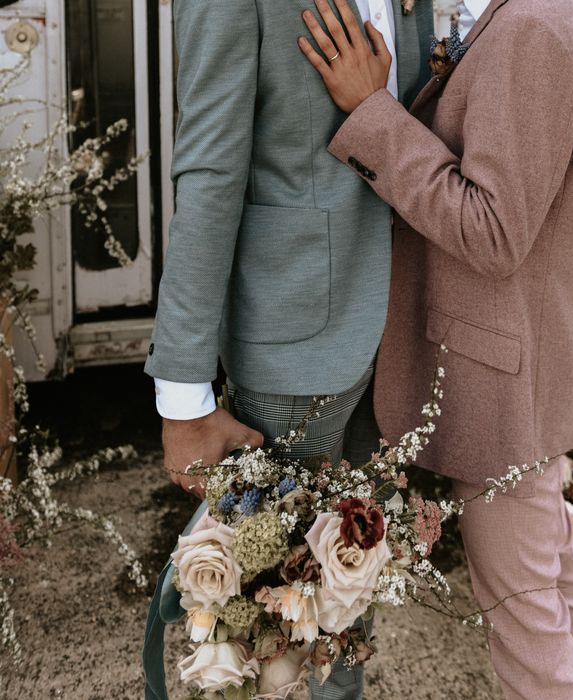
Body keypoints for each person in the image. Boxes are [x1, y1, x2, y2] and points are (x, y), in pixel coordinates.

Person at [299, 0, 573, 697]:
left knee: (526, 624)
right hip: (527, 358)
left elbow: (495, 231)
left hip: (507, 377)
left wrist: (373, 113)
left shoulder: (530, 29)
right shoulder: (530, 14)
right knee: (548, 580)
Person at [143, 2, 433, 699]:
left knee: (347, 602)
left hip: (396, 322)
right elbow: (209, 170)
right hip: (293, 336)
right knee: (258, 632)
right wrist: (184, 398)